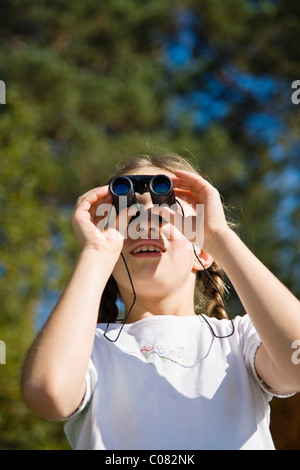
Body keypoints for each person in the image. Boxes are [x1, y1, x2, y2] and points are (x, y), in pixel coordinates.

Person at [21, 153, 300, 450]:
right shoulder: (90, 349)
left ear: (201, 252)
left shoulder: (240, 341)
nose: (145, 223)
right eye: (129, 213)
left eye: (167, 211)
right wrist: (96, 254)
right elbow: (47, 392)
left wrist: (219, 236)